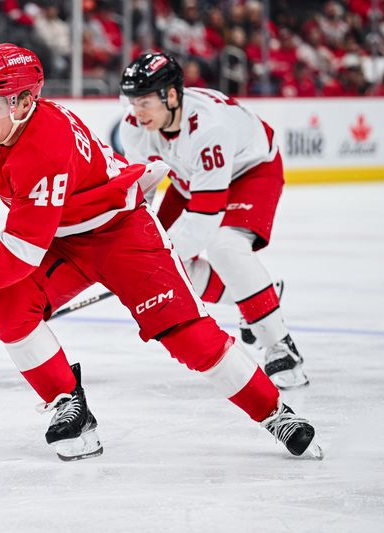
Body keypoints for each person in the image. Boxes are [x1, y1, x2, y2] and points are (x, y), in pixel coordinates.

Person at [0, 43, 321, 462]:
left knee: (187, 336)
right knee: (10, 304)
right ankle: (68, 405)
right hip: (60, 236)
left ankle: (274, 412)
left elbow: (19, 252)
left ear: (24, 101)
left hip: (120, 231)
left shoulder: (45, 144)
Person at [118, 52, 309, 390]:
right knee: (153, 257)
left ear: (172, 96)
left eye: (146, 101)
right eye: (133, 101)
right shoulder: (134, 127)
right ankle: (256, 297)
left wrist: (160, 256)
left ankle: (280, 345)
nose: (137, 111)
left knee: (224, 246)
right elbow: (140, 193)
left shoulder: (209, 127)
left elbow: (205, 220)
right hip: (189, 177)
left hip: (251, 169)